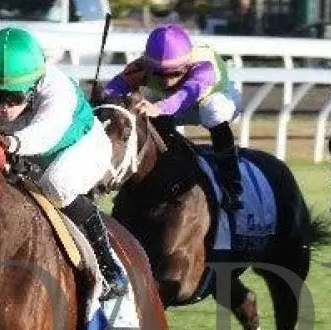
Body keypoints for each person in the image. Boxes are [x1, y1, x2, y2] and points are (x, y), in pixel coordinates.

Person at [0, 27, 125, 297]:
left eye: (14, 96)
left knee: (56, 184)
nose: (4, 107)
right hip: (24, 151)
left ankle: (110, 267)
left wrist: (12, 144)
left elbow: (46, 131)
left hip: (80, 147)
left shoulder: (56, 87)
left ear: (34, 85)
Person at [103, 24, 245, 213]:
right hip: (172, 105)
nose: (166, 81)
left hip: (215, 99)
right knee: (140, 110)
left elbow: (186, 94)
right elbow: (112, 90)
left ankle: (232, 185)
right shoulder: (141, 66)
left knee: (212, 110)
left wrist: (160, 108)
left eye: (175, 73)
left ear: (187, 64)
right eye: (159, 73)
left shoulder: (204, 67)